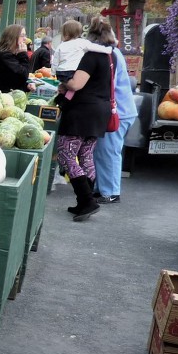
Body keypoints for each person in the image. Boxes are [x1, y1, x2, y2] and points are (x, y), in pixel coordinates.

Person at [55, 16, 117, 222]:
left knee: (66, 154)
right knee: (86, 155)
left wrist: (64, 82)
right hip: (101, 110)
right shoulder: (111, 56)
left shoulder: (91, 56)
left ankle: (87, 200)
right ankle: (84, 202)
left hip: (82, 111)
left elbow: (76, 84)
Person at [92, 30, 138, 204]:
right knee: (103, 152)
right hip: (122, 110)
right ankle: (102, 189)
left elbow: (107, 83)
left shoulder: (110, 55)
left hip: (118, 112)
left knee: (108, 152)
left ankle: (110, 192)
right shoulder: (115, 52)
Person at [53, 19, 111, 99]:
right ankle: (68, 98)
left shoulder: (61, 45)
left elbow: (55, 60)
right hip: (74, 70)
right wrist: (107, 50)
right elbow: (95, 47)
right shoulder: (83, 42)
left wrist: (53, 72)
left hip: (61, 72)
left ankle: (67, 98)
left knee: (67, 87)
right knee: (73, 87)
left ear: (65, 34)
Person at [0, 24, 33, 96]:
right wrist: (23, 54)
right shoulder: (5, 57)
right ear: (13, 37)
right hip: (0, 98)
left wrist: (26, 86)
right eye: (22, 35)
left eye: (25, 35)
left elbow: (12, 79)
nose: (25, 39)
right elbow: (23, 75)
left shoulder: (6, 55)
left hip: (2, 96)